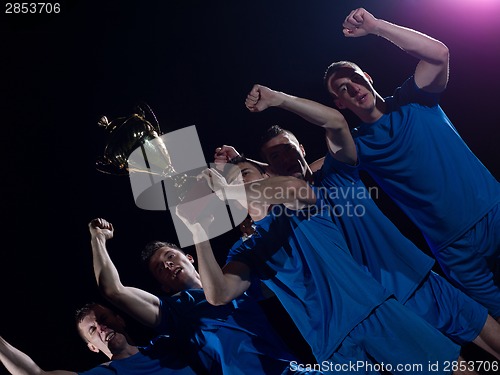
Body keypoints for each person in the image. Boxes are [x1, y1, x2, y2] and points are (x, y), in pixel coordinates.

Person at [240, 81, 500, 359]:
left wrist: (279, 98)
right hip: (380, 309)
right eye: (275, 156)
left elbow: (336, 121)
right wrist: (239, 167)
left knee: (490, 335)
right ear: (268, 169)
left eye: (289, 149)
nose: (285, 158)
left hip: (414, 278)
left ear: (302, 148)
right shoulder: (286, 216)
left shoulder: (338, 172)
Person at [178, 158, 474, 375]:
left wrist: (229, 190)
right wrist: (198, 233)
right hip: (332, 349)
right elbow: (218, 294)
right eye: (230, 181)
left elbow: (296, 189)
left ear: (264, 175)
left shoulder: (296, 203)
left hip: (376, 313)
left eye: (244, 174)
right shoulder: (246, 248)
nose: (237, 182)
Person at [322, 8, 500, 320]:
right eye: (342, 90)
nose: (353, 88)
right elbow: (305, 168)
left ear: (368, 77)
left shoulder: (414, 99)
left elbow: (439, 54)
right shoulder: (358, 145)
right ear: (340, 103)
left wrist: (377, 27)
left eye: (354, 77)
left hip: (494, 212)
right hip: (454, 250)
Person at [88, 218, 318, 375]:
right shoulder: (173, 310)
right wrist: (98, 239)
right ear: (163, 286)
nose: (167, 264)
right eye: (159, 268)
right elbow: (113, 290)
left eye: (170, 256)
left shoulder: (234, 280)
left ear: (189, 258)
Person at [0, 302, 202, 375]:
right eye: (92, 330)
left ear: (120, 319)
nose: (101, 328)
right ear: (92, 348)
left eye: (103, 319)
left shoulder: (167, 344)